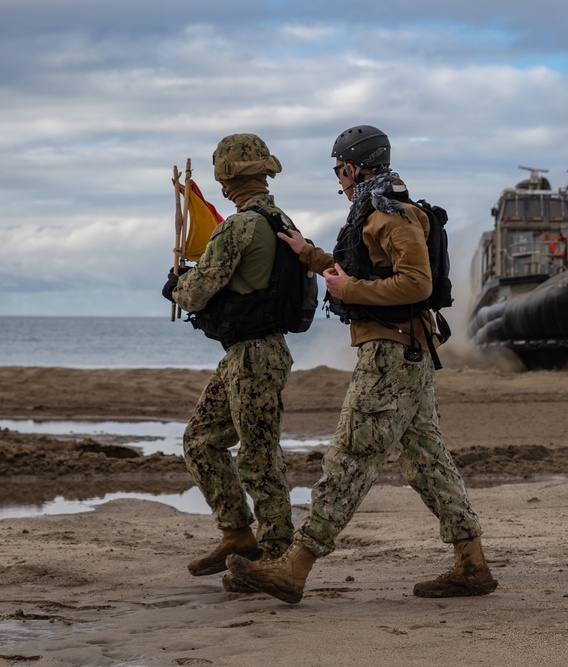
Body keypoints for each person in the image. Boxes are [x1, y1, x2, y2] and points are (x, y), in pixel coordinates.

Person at [225, 124, 498, 604]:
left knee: (349, 458)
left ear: (353, 167)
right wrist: (309, 255)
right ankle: (471, 564)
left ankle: (295, 568)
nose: (339, 178)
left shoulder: (390, 216)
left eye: (339, 170)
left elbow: (416, 283)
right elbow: (365, 269)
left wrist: (349, 291)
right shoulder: (376, 213)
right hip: (405, 353)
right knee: (428, 462)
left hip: (391, 356)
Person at [162, 133, 296, 592]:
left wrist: (178, 284)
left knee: (259, 459)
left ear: (226, 179)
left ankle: (277, 557)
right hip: (250, 352)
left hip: (254, 355)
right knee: (201, 440)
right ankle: (238, 536)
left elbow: (199, 290)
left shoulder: (239, 227)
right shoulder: (280, 220)